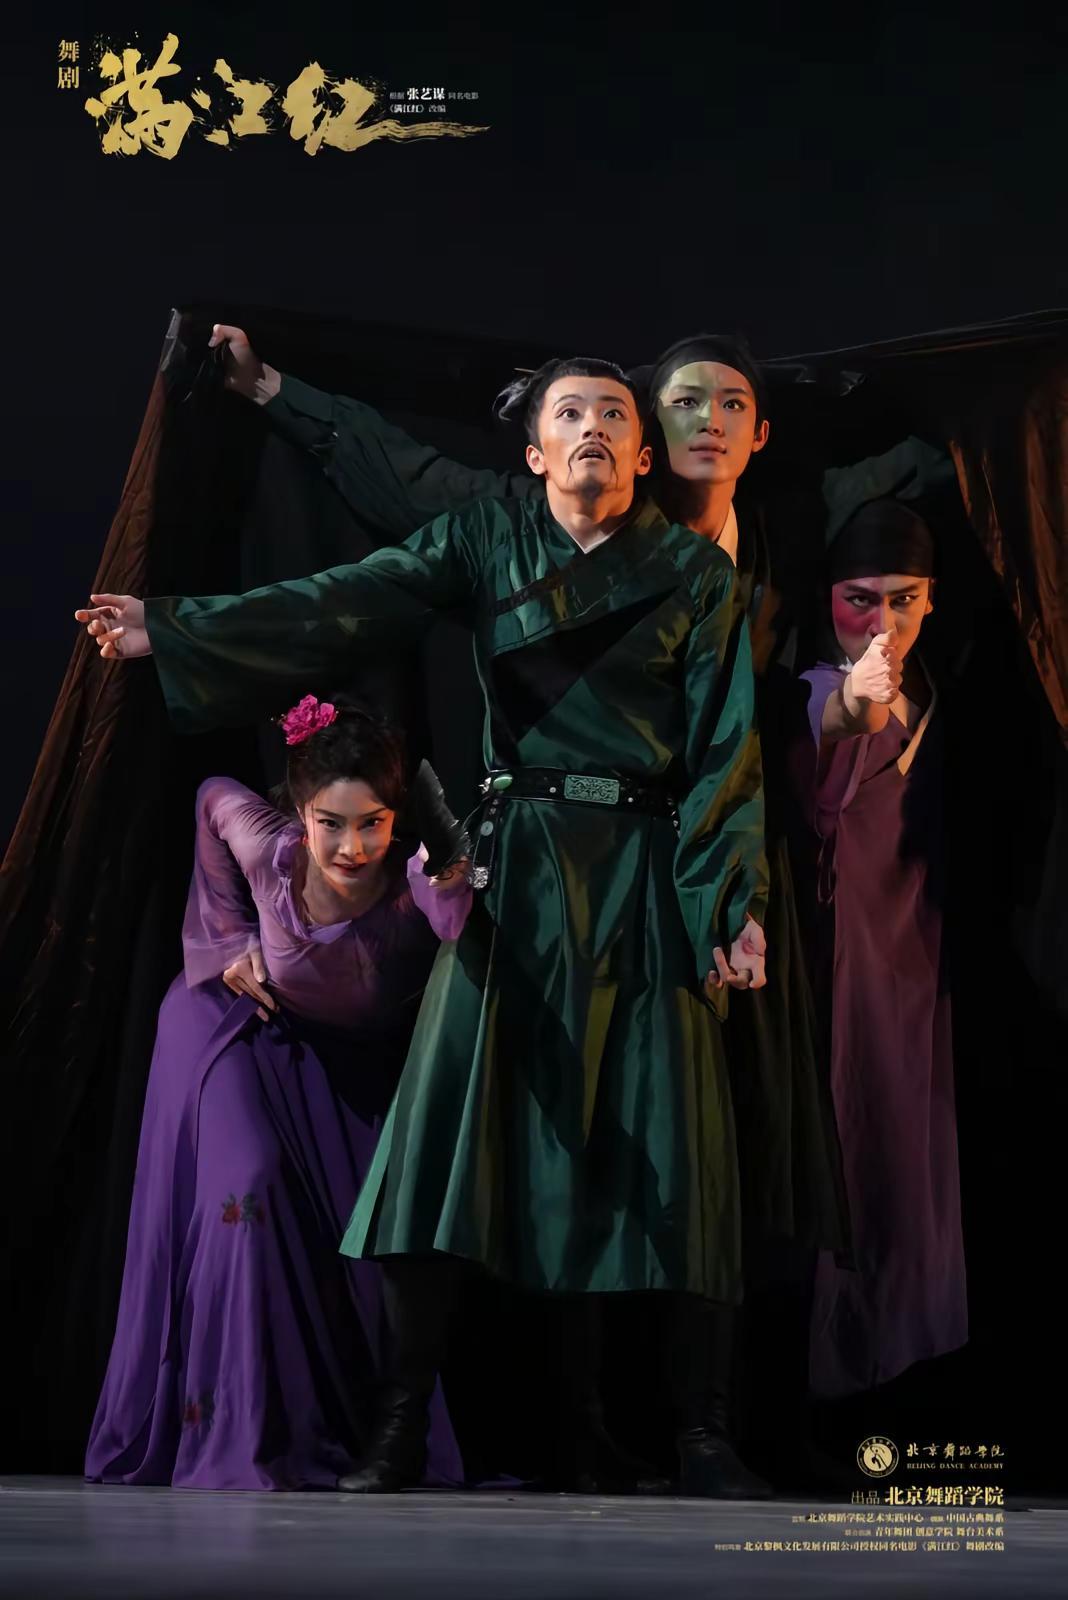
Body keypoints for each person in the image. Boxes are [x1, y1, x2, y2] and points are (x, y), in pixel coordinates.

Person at [76, 355, 769, 1498]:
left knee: (675, 1144)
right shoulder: (487, 539)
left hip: (644, 879)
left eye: (614, 414)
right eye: (569, 413)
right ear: (535, 451)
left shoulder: (694, 572)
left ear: (643, 455)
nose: (593, 427)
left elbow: (724, 751)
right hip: (519, 872)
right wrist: (180, 627)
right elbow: (349, 595)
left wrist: (730, 905)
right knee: (440, 1145)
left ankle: (701, 1433)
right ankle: (398, 1427)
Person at [85, 698, 470, 1490]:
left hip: (340, 1065)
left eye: (373, 824)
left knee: (372, 1251)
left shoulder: (409, 881)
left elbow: (459, 919)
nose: (352, 847)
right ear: (300, 813)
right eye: (331, 824)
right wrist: (227, 935)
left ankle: (306, 1431)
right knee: (247, 1189)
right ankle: (234, 1435)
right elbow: (211, 798)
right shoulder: (269, 847)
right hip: (235, 1028)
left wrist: (448, 858)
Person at [794, 487, 967, 1398]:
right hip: (847, 950)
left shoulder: (933, 679)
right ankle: (839, 1369)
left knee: (914, 1149)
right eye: (860, 599)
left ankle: (908, 1354)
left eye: (904, 600)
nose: (882, 623)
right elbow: (837, 717)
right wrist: (858, 702)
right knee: (855, 1140)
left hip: (916, 945)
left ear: (932, 598)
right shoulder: (822, 683)